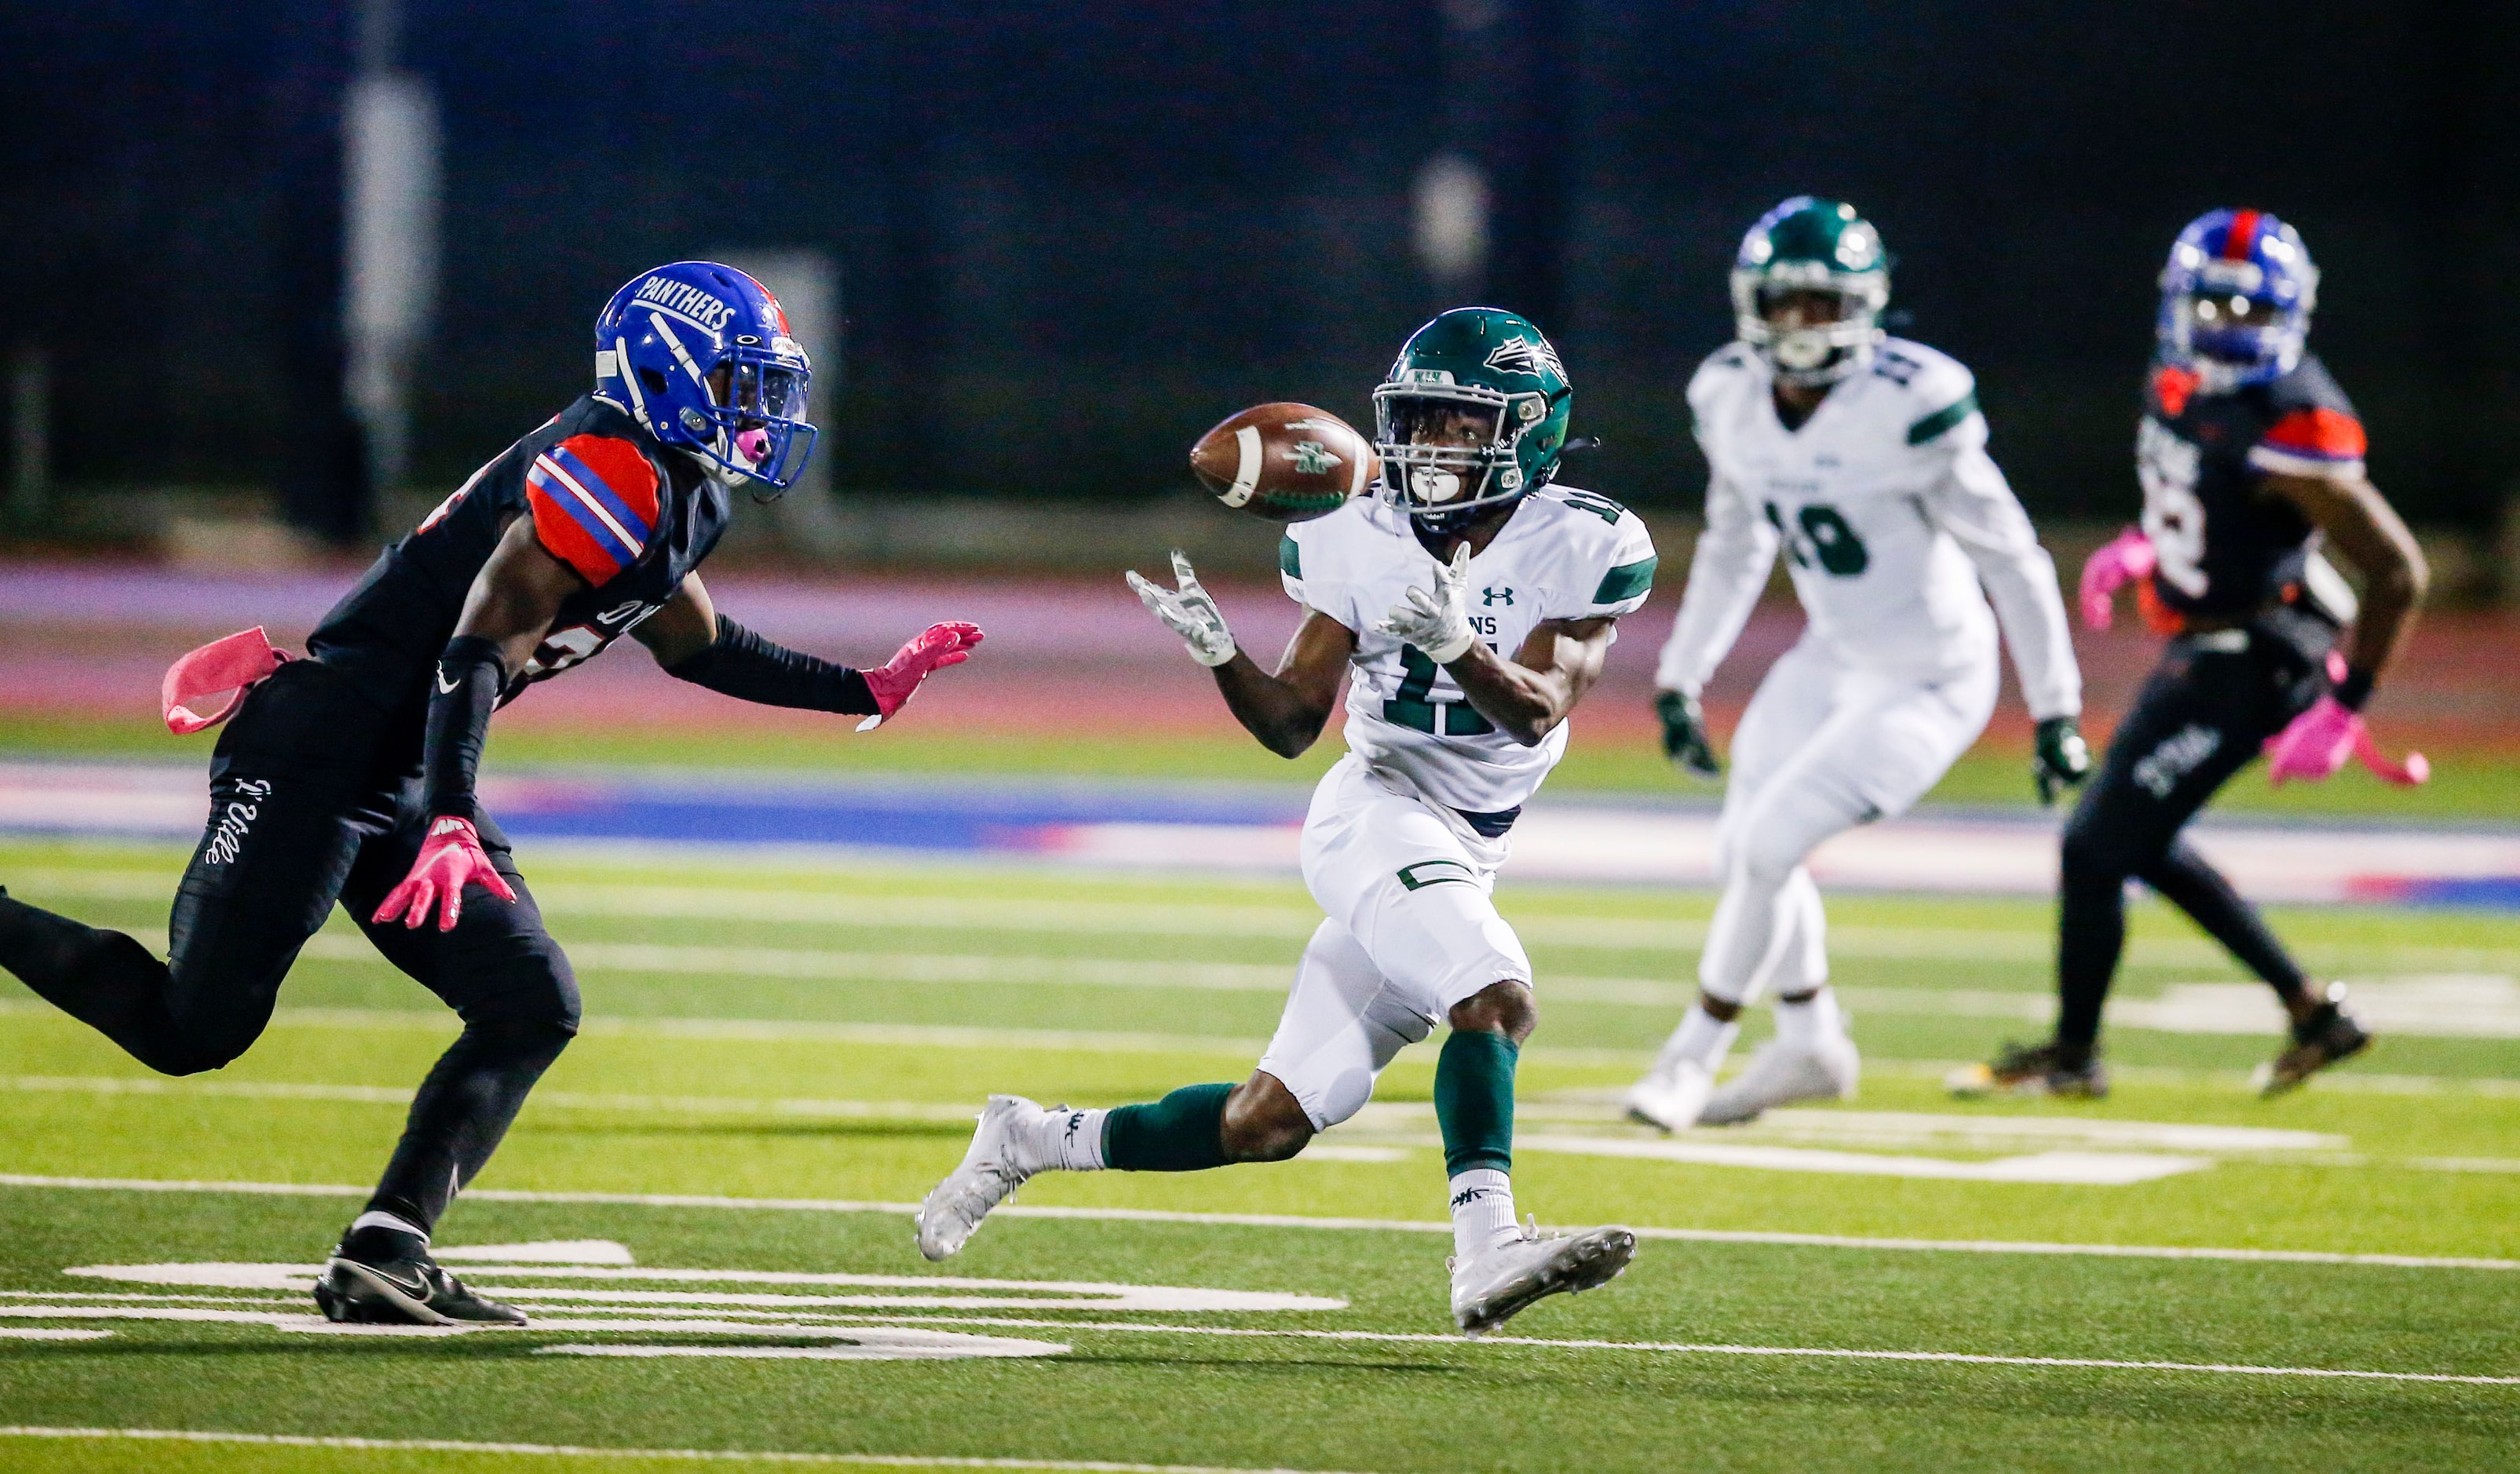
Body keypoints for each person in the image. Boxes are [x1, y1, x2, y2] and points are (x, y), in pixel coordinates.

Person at [0, 262, 981, 1325]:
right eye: (740, 383)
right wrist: (456, 815)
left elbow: (695, 643)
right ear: (663, 369)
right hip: (319, 752)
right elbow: (476, 650)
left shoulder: (677, 483)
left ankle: (386, 1247)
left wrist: (862, 687)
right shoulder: (606, 465)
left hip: (409, 761)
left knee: (528, 1004)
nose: (765, 410)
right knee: (191, 1029)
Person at [913, 308, 1649, 1336]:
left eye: (1455, 424)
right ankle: (1486, 1249)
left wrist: (1453, 642)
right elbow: (1292, 726)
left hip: (1464, 847)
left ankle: (1030, 1138)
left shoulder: (1584, 540)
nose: (1428, 445)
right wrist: (1221, 655)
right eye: (1418, 419)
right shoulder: (1356, 528)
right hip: (1374, 817)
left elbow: (1535, 708)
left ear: (1524, 433)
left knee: (1266, 1121)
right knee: (1493, 994)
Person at [1627, 197, 2087, 1132]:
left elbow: (2013, 558)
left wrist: (2056, 710)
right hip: (1831, 657)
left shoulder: (1909, 405)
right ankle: (1810, 1040)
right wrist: (1683, 672)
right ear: (1753, 304)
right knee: (1744, 850)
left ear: (1866, 308)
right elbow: (1731, 542)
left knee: (1766, 845)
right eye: (1787, 303)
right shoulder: (1729, 397)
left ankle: (1691, 1056)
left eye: (1822, 305)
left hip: (1932, 677)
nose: (1801, 327)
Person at [1951, 209, 2426, 1100]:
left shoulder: (2296, 417)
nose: (2229, 328)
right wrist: (2149, 547)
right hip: (2207, 647)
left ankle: (2076, 1055)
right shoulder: (2182, 379)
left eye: (2252, 311)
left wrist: (2343, 706)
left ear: (2292, 313)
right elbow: (2207, 494)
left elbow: (2398, 572)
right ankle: (2312, 1012)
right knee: (2135, 838)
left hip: (2262, 656)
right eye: (2215, 306)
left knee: (2099, 846)